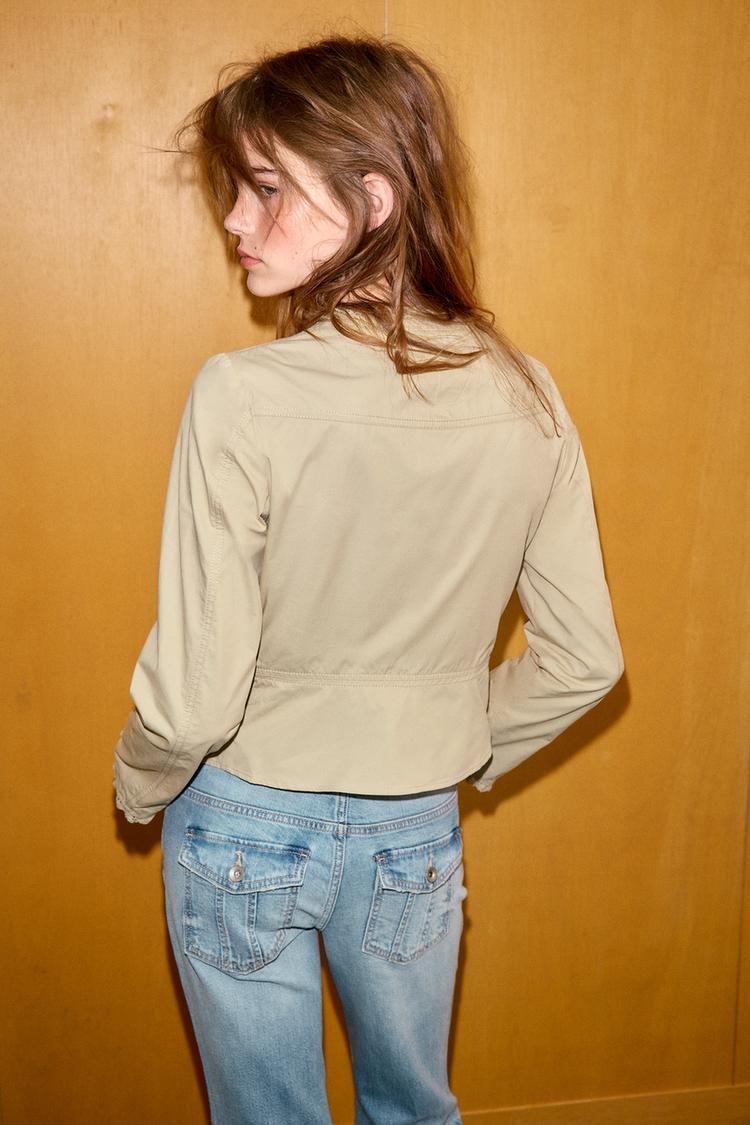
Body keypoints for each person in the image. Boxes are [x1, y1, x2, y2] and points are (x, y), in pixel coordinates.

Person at [112, 32, 625, 1125]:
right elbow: (586, 660)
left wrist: (139, 782)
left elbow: (195, 699)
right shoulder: (528, 396)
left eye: (265, 189)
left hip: (244, 816)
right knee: (414, 1110)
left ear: (376, 198)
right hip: (414, 828)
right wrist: (449, 737)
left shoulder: (242, 395)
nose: (235, 220)